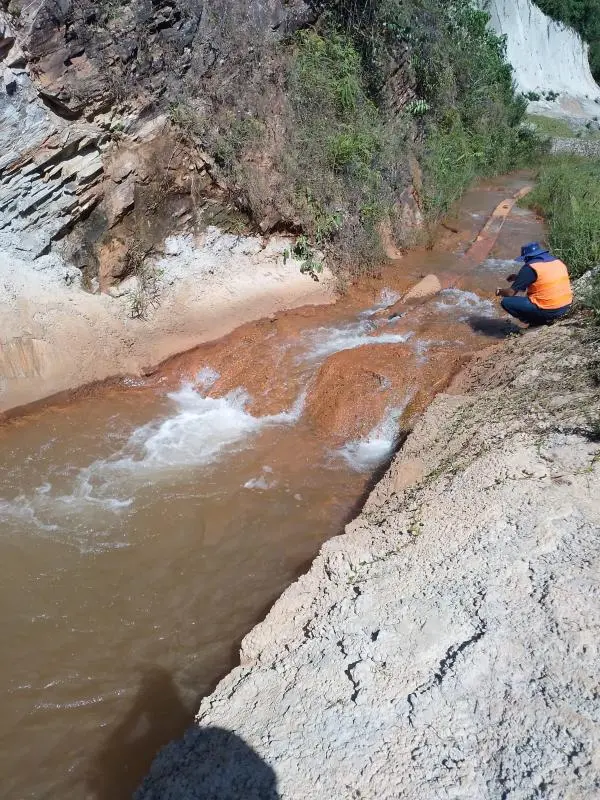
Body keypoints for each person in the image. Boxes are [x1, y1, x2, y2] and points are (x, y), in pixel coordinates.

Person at [495, 242, 573, 327]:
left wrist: (499, 291)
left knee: (506, 302)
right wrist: (518, 278)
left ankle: (535, 322)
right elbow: (544, 278)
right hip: (566, 307)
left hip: (550, 310)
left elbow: (510, 293)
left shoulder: (530, 267)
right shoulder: (557, 262)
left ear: (527, 257)